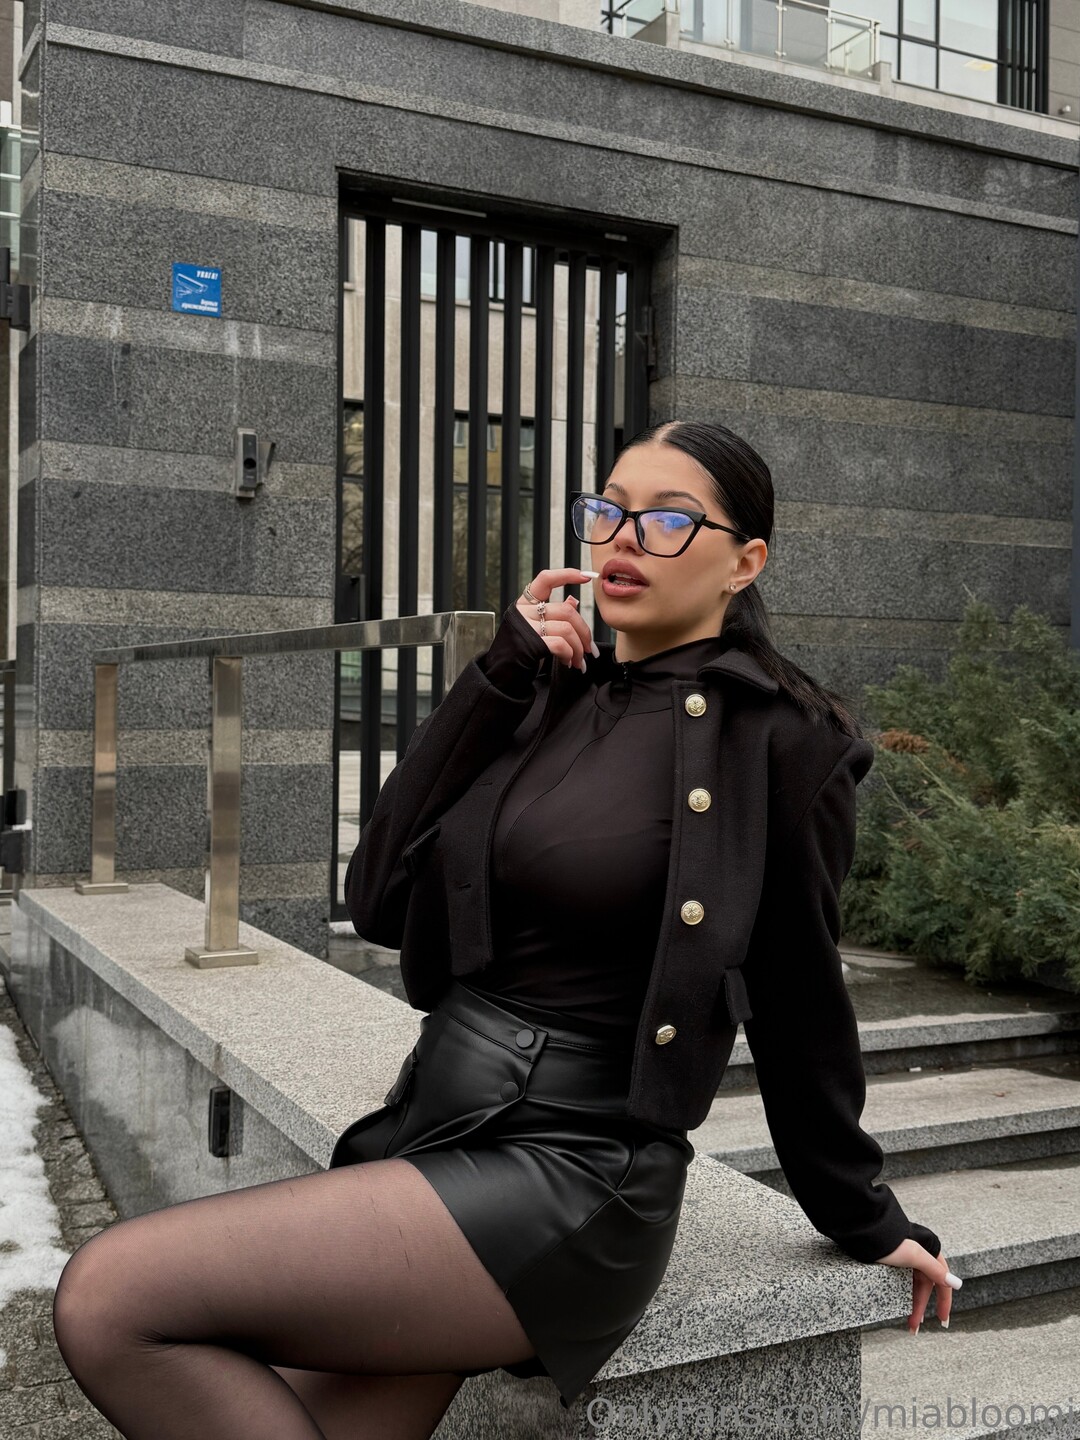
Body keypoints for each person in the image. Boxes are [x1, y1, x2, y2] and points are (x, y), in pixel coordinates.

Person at [50, 419, 960, 1439]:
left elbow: (800, 999)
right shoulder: (545, 694)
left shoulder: (783, 742)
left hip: (575, 1170)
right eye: (609, 510)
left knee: (112, 1300)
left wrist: (860, 1212)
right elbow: (380, 896)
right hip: (436, 1128)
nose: (623, 538)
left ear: (744, 563)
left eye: (668, 520)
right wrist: (494, 679)